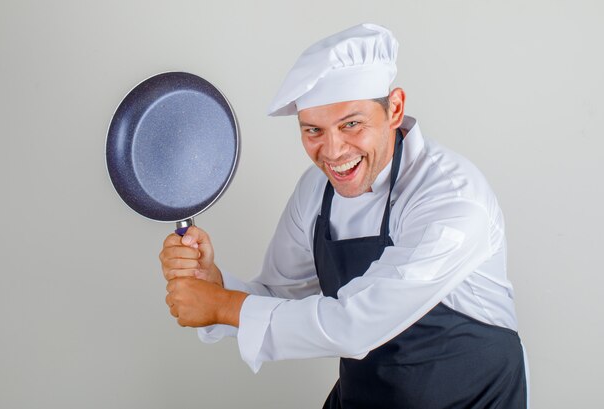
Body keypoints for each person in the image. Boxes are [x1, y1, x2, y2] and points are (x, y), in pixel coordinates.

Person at [159, 23, 528, 408]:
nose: (333, 151)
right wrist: (214, 283)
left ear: (395, 109)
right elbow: (278, 296)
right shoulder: (316, 192)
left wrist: (221, 305)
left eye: (351, 124)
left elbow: (356, 323)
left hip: (472, 400)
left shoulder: (451, 201)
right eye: (313, 130)